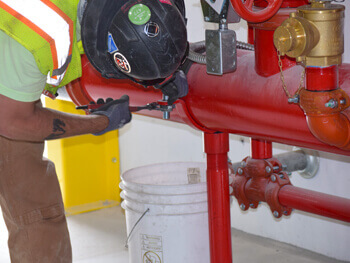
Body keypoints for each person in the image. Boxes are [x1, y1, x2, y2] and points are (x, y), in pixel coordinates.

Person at [0, 0, 131, 262]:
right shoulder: (42, 33)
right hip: (10, 110)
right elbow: (14, 122)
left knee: (33, 193)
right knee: (35, 214)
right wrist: (99, 123)